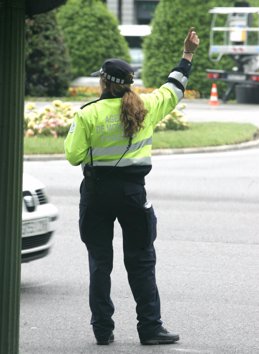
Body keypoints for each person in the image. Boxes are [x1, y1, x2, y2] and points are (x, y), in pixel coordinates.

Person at [64, 27, 199, 346]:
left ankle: (102, 330)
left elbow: (73, 156)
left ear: (103, 82)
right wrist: (187, 55)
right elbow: (174, 87)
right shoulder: (147, 107)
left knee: (100, 263)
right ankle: (150, 328)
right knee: (141, 260)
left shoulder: (88, 114)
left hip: (96, 194)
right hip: (133, 194)